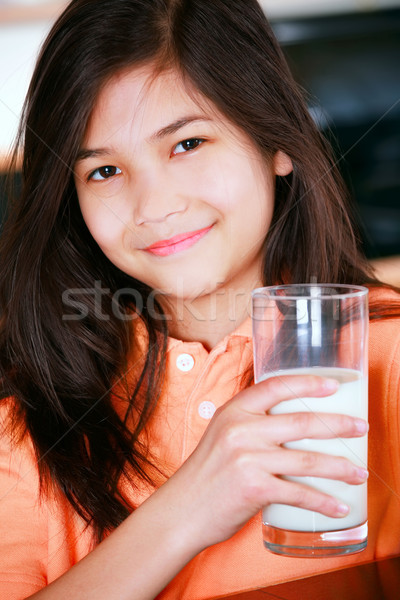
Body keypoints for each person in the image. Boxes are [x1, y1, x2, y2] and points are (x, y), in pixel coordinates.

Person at [0, 0, 399, 598]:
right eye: (104, 172)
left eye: (187, 143)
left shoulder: (384, 358)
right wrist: (187, 509)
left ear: (276, 142)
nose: (153, 206)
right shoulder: (29, 416)